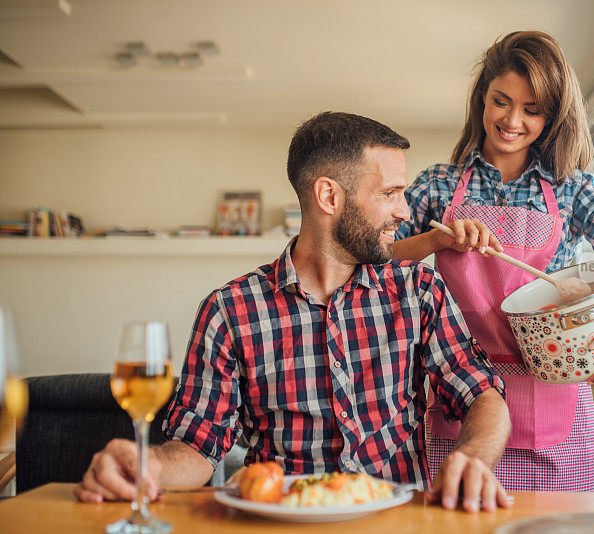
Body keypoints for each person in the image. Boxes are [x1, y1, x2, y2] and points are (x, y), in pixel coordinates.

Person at [75, 111, 513, 513]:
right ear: (329, 196)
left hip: (396, 520)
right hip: (280, 522)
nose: (404, 211)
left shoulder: (418, 291)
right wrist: (148, 465)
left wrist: (474, 459)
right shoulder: (229, 311)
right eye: (390, 193)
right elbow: (197, 447)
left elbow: (482, 395)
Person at [392, 31, 594, 492]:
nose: (512, 120)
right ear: (482, 96)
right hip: (459, 401)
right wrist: (434, 241)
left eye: (532, 109)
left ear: (553, 115)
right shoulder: (438, 185)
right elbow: (378, 258)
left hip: (555, 417)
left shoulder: (571, 188)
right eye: (501, 101)